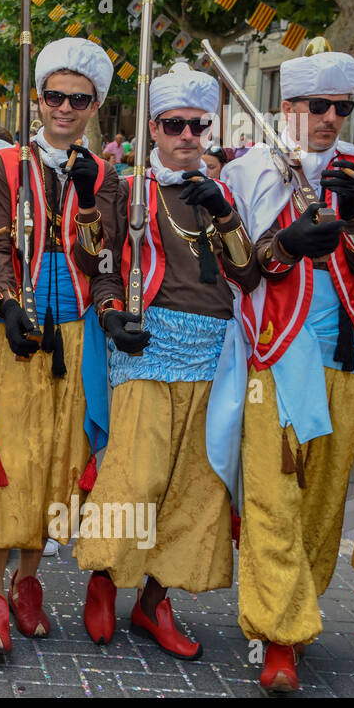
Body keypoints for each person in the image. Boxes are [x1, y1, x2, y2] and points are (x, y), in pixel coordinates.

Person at [221, 46, 354, 692]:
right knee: (270, 495)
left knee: (323, 503)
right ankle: (278, 636)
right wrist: (285, 245)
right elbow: (238, 266)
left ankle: (296, 608)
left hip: (343, 353)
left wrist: (350, 219)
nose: (329, 118)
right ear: (287, 107)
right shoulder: (250, 170)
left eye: (340, 108)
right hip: (274, 350)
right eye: (316, 106)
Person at [76, 65, 260, 658]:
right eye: (174, 124)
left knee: (197, 483)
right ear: (152, 127)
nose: (186, 135)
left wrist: (226, 216)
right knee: (137, 472)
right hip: (146, 344)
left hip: (214, 348)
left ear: (209, 128)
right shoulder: (127, 188)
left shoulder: (226, 192)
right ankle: (103, 580)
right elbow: (96, 259)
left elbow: (249, 273)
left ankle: (155, 600)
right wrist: (108, 313)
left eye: (197, 126)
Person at [0, 38, 118, 652]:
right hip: (15, 329)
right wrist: (4, 306)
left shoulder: (106, 176)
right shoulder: (3, 165)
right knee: (7, 455)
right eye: (54, 96)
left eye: (77, 100)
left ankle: (32, 582)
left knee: (58, 459)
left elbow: (104, 261)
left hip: (75, 334)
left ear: (93, 105)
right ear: (38, 99)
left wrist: (89, 204)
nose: (64, 108)